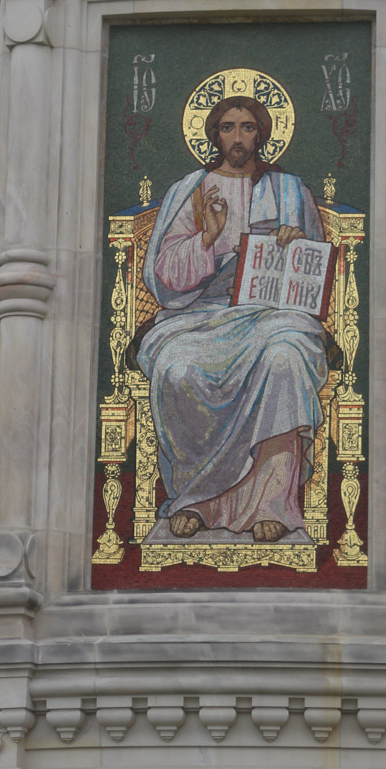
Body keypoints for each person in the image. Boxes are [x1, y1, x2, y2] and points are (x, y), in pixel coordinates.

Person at [137, 97, 329, 544]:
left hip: (273, 313)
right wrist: (207, 238)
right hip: (200, 315)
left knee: (284, 359)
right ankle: (196, 500)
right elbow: (164, 273)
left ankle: (273, 504)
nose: (238, 137)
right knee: (178, 370)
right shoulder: (193, 189)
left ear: (261, 133)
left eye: (247, 128)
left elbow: (316, 272)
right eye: (228, 127)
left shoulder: (289, 191)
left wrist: (295, 244)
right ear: (215, 134)